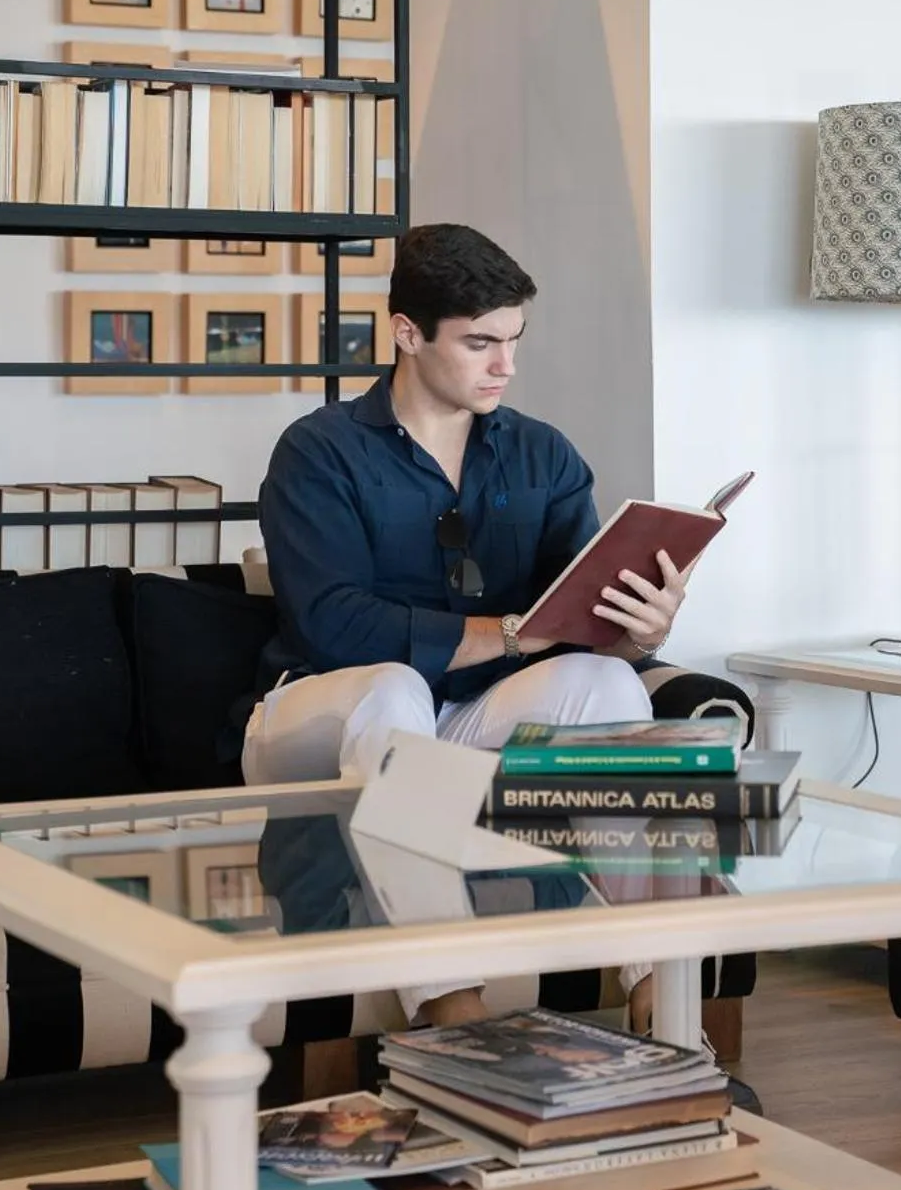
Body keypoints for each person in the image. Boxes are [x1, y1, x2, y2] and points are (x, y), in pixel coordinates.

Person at [245, 222, 750, 1028]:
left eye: (513, 340)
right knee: (392, 689)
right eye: (479, 343)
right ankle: (455, 1011)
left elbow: (577, 621)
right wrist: (515, 632)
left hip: (470, 717)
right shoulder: (319, 451)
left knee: (605, 680)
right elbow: (332, 627)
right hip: (319, 715)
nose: (505, 366)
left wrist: (641, 630)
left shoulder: (542, 454)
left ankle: (664, 1004)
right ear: (407, 334)